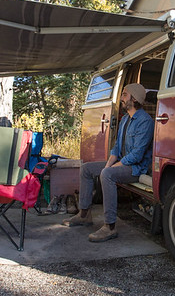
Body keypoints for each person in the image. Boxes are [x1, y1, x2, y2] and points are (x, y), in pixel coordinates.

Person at [63, 83, 154, 242]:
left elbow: (137, 155)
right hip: (122, 163)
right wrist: (107, 165)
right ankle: (84, 214)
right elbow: (117, 147)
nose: (121, 98)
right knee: (86, 169)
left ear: (134, 98)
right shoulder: (126, 119)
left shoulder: (145, 121)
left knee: (108, 174)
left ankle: (110, 226)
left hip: (136, 168)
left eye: (124, 95)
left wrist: (110, 169)